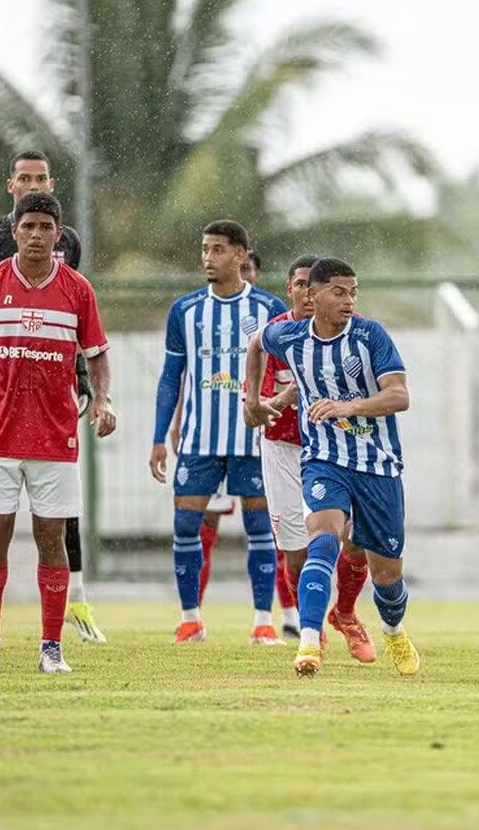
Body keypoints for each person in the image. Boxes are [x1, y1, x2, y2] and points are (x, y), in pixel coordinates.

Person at [0, 150, 105, 645]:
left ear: (52, 184)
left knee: (59, 506)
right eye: (25, 177)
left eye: (42, 177)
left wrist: (87, 382)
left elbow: (72, 313)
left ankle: (76, 599)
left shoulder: (66, 240)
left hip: (53, 388)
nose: (34, 183)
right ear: (10, 185)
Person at [244, 256, 419, 677]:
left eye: (353, 293)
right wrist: (252, 400)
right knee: (322, 537)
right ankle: (308, 643)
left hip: (377, 465)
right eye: (339, 292)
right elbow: (255, 344)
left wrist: (350, 406)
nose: (349, 301)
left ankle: (393, 631)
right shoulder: (290, 336)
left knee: (387, 576)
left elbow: (399, 396)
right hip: (324, 459)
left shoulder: (371, 335)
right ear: (312, 295)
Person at [150, 221, 288, 645]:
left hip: (253, 440)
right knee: (185, 527)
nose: (208, 257)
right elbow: (171, 377)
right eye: (205, 249)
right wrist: (159, 437)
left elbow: (286, 373)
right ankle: (191, 618)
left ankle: (263, 621)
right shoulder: (185, 311)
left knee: (262, 530)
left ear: (241, 256)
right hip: (199, 440)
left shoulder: (268, 309)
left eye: (218, 250)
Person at [258, 255, 374, 659]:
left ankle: (344, 613)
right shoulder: (278, 334)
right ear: (292, 290)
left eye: (315, 285)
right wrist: (254, 401)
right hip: (282, 448)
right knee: (296, 551)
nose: (309, 293)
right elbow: (256, 365)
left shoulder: (351, 332)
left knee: (358, 540)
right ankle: (313, 624)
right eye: (300, 284)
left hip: (333, 447)